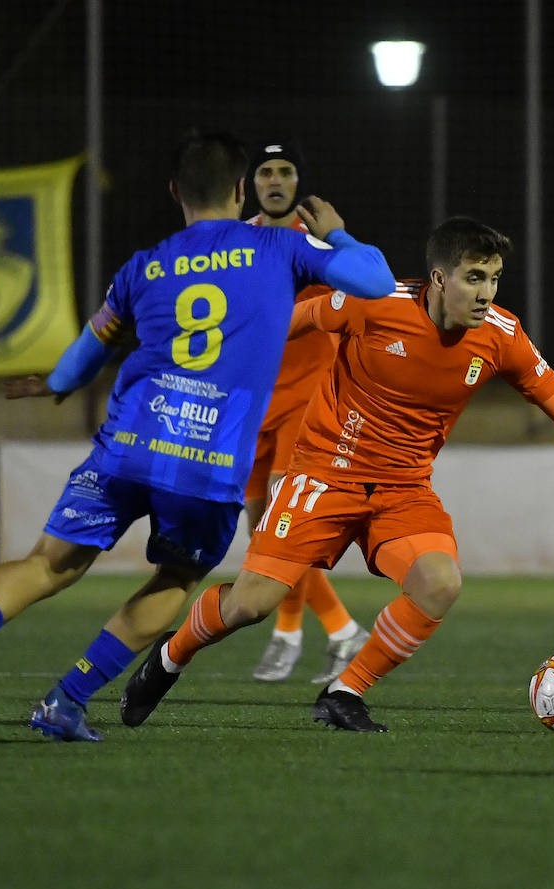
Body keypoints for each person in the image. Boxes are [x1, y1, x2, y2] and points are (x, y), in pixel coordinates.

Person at [0, 128, 396, 743]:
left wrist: (53, 384)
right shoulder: (282, 249)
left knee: (46, 565)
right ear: (239, 189)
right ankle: (65, 700)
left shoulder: (144, 265)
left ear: (175, 191)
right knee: (175, 580)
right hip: (204, 464)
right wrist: (334, 231)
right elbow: (377, 281)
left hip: (126, 445)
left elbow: (83, 356)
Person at [119, 216, 554, 732]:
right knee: (249, 605)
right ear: (438, 277)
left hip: (403, 489)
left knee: (440, 583)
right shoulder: (375, 302)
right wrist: (210, 360)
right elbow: (292, 320)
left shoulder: (501, 335)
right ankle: (169, 658)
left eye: (495, 279)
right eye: (474, 278)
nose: (486, 294)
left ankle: (344, 692)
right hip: (325, 472)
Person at [243, 139, 370, 683]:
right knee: (258, 528)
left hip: (309, 399)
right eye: (266, 171)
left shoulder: (316, 241)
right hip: (251, 403)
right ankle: (320, 631)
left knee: (280, 518)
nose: (274, 180)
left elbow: (367, 286)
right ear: (251, 183)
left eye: (285, 171)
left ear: (299, 182)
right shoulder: (237, 241)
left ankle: (311, 632)